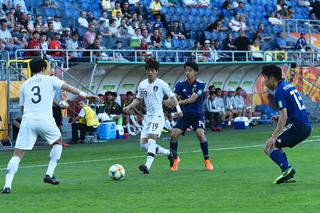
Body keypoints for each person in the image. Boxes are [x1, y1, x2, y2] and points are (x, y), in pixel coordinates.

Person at [2, 58, 98, 194]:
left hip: (28, 120)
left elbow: (22, 107)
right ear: (43, 68)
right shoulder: (51, 79)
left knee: (17, 154)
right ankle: (49, 174)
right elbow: (67, 87)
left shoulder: (25, 84)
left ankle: (7, 186)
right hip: (45, 119)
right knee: (58, 143)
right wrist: (86, 95)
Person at [123, 58, 182, 174]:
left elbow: (173, 97)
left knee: (151, 138)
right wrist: (129, 107)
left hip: (158, 116)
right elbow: (138, 99)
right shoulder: (142, 84)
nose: (150, 72)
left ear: (156, 71)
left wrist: (178, 110)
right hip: (148, 117)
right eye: (148, 70)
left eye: (152, 70)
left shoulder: (161, 84)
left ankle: (147, 166)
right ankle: (170, 154)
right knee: (143, 144)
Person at [261, 64, 312, 184]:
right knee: (277, 146)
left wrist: (274, 136)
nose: (264, 82)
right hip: (304, 125)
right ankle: (287, 173)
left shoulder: (279, 91)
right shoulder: (288, 86)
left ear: (272, 78)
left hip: (298, 126)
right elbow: (292, 109)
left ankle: (287, 169)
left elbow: (284, 116)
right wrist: (279, 117)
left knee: (269, 145)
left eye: (265, 78)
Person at [166, 61, 214, 172]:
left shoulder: (201, 84)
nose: (187, 73)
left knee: (200, 134)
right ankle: (175, 159)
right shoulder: (180, 84)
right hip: (184, 115)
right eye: (186, 70)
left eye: (190, 70)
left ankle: (207, 161)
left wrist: (177, 103)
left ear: (195, 72)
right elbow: (173, 97)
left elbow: (193, 99)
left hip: (197, 115)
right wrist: (166, 101)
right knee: (173, 134)